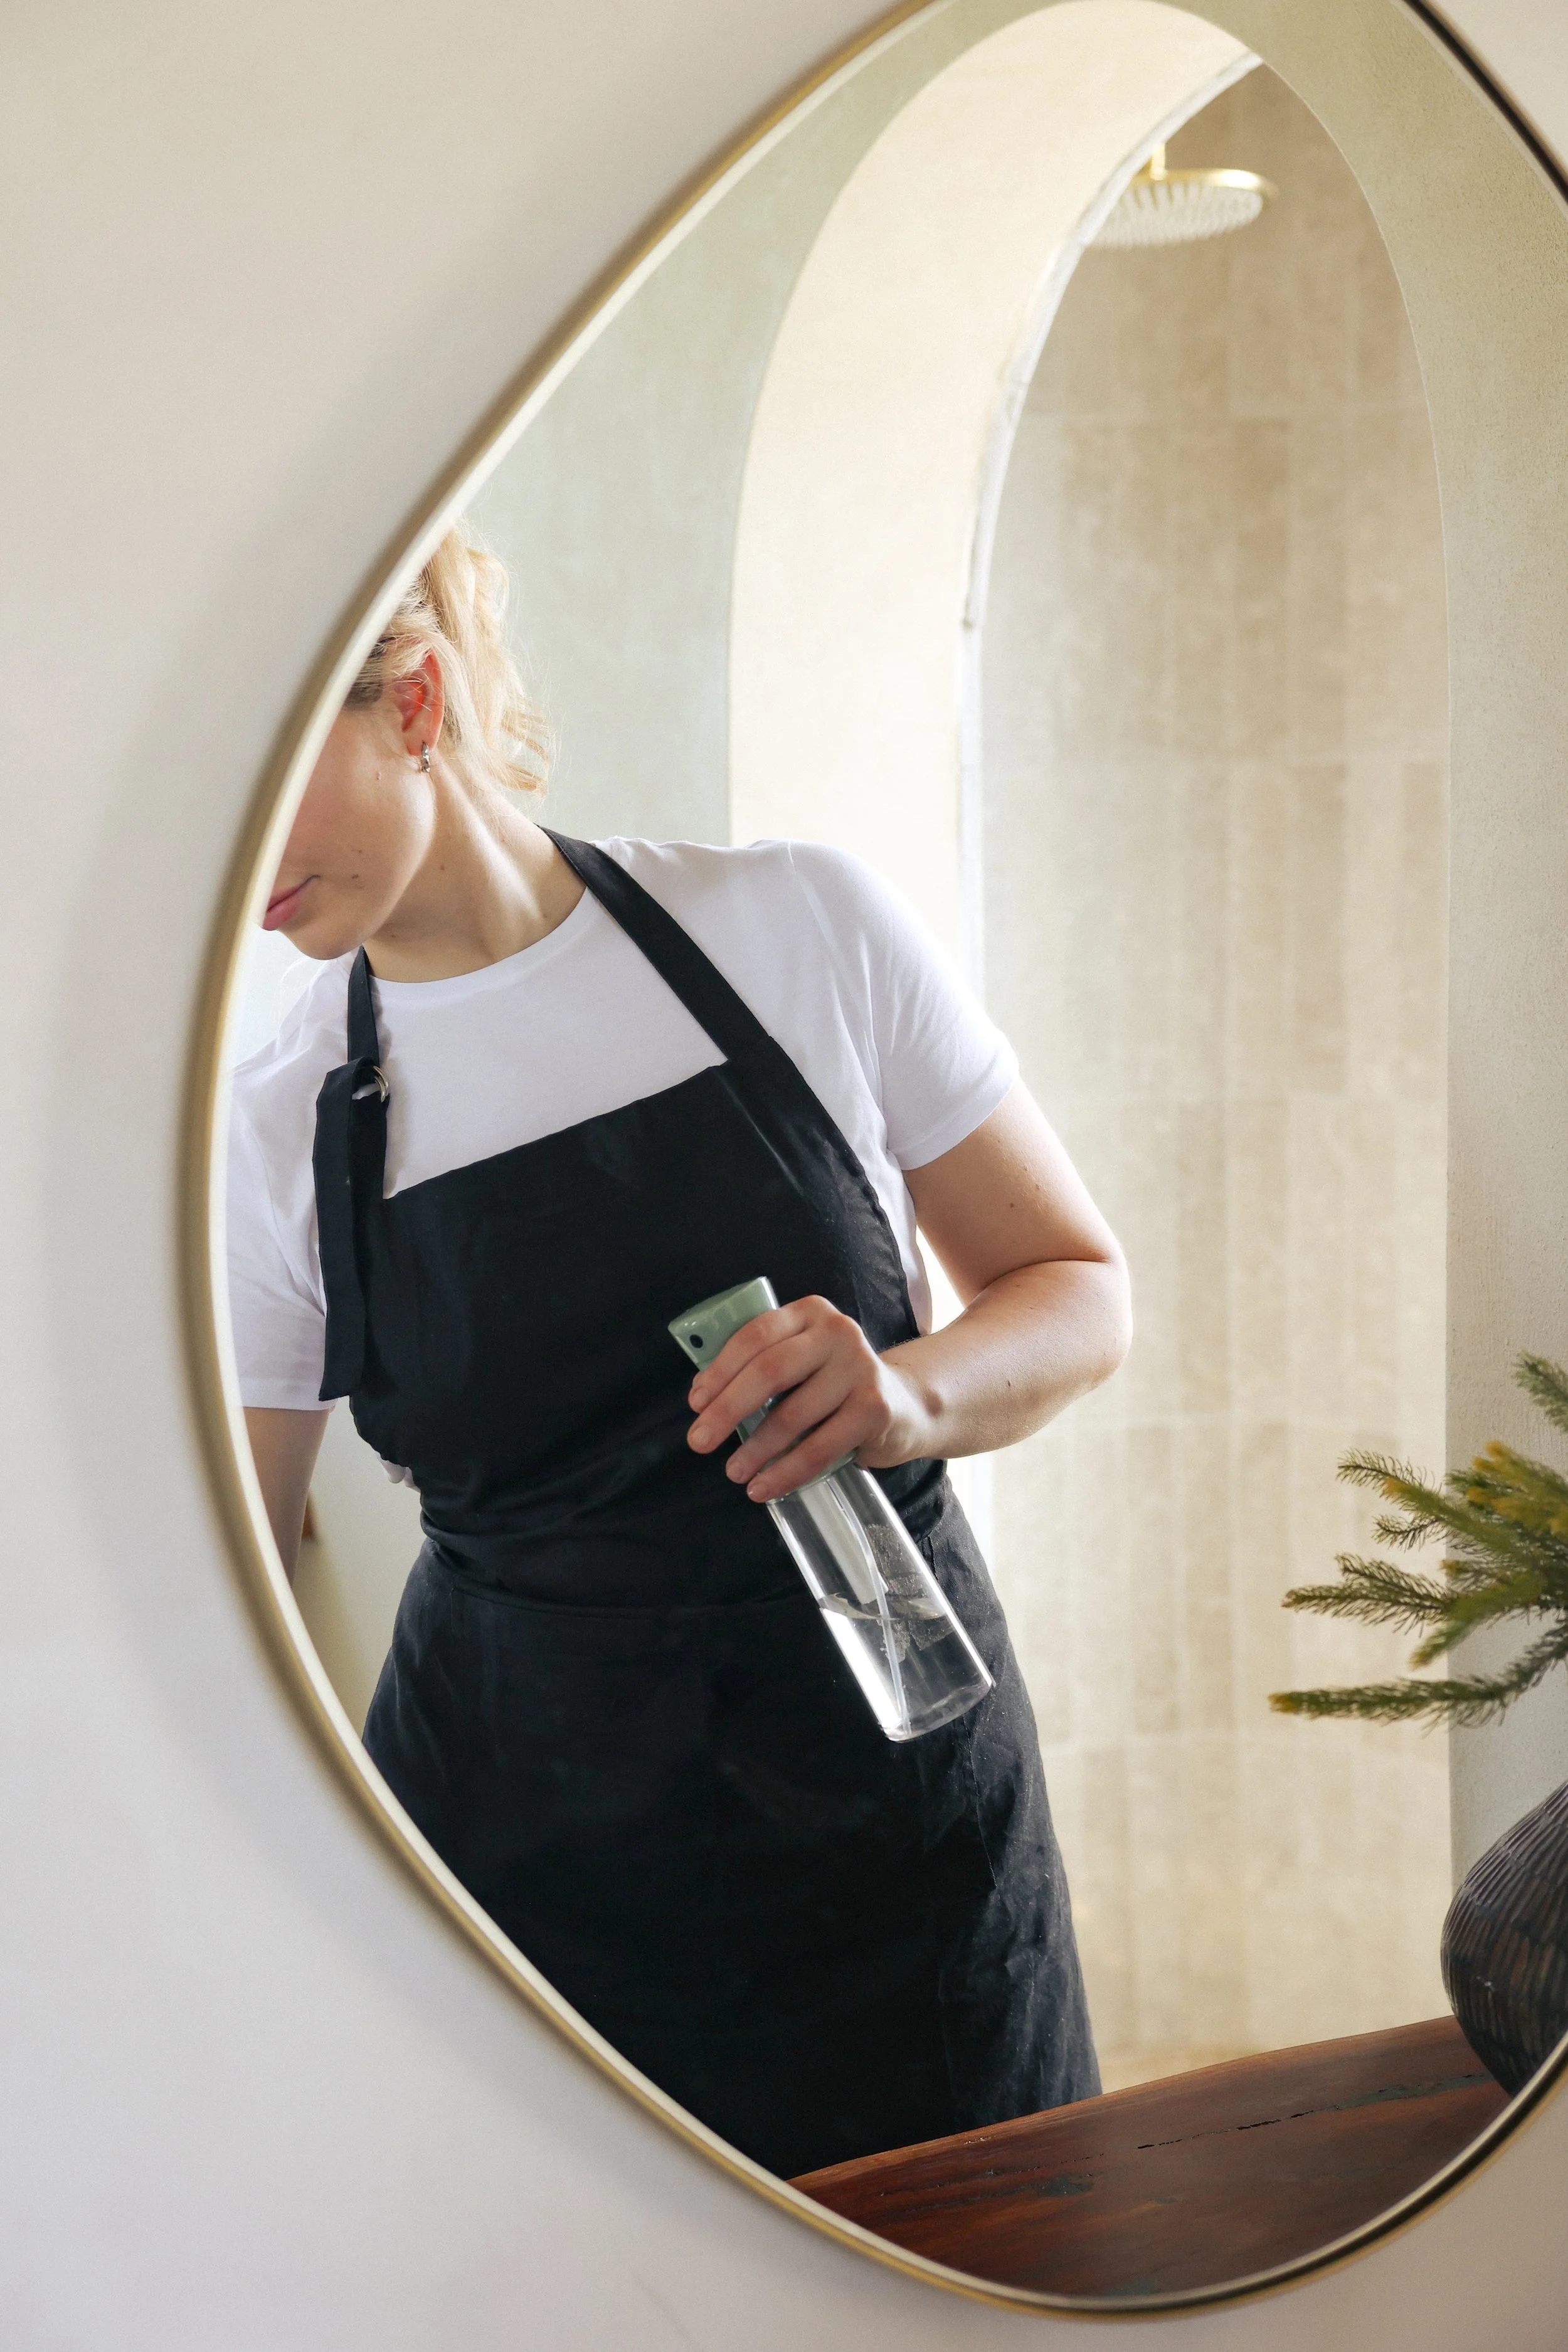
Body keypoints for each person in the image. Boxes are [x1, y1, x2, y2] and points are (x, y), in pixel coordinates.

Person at [231, 526, 1131, 2180]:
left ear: (415, 701)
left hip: (901, 1845)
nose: (230, 868)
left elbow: (1075, 1282)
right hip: (519, 1892)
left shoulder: (797, 926)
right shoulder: (281, 1117)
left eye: (258, 787)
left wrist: (909, 1390)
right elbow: (241, 1562)